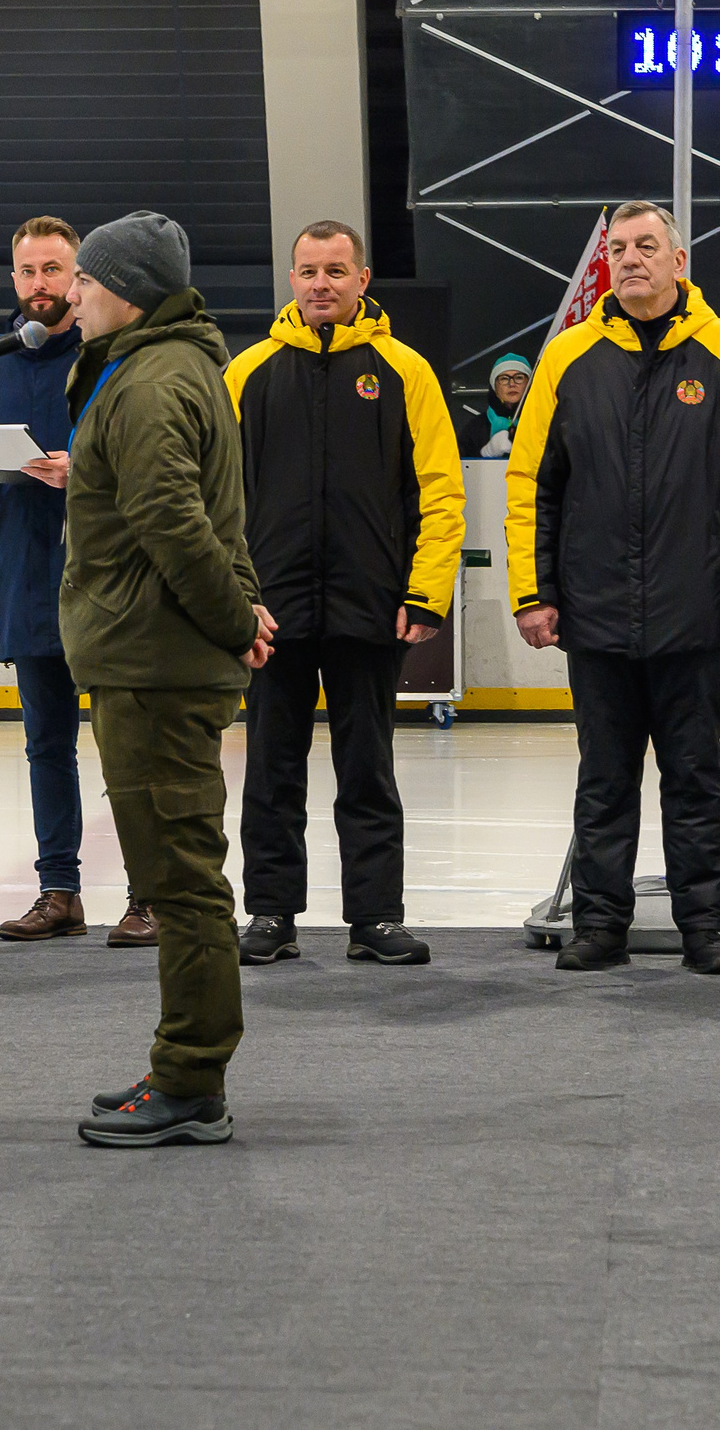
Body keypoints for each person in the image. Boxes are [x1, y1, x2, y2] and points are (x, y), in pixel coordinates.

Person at [505, 199, 720, 976]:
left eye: (645, 246)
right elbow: (532, 482)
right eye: (619, 249)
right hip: (594, 613)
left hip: (694, 613)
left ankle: (708, 928)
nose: (630, 258)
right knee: (603, 779)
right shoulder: (568, 357)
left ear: (678, 260)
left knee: (695, 777)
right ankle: (600, 925)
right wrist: (533, 592)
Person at [56, 211, 271, 1150]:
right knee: (175, 873)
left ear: (128, 293)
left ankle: (190, 1080)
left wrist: (234, 618)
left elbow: (178, 524)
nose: (71, 294)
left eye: (85, 280)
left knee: (180, 881)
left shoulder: (147, 383)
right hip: (154, 655)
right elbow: (226, 518)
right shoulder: (171, 367)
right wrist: (243, 606)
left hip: (155, 663)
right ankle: (183, 1068)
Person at [225, 220, 466, 968]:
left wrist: (425, 594)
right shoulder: (248, 372)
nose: (321, 284)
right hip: (272, 611)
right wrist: (234, 598)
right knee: (271, 769)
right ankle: (271, 913)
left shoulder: (405, 370)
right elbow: (215, 497)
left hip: (372, 607)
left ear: (363, 280)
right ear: (291, 279)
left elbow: (441, 491)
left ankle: (376, 917)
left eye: (335, 270)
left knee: (369, 770)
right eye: (308, 271)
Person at [0, 218, 112, 944]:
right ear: (12, 279)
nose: (39, 283)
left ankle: (147, 895)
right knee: (46, 745)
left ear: (77, 279)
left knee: (128, 747)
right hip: (25, 573)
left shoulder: (110, 358)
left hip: (104, 578)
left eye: (53, 269)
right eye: (27, 270)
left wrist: (86, 471)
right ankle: (58, 890)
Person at [455, 353, 531, 457]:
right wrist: (486, 453)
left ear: (529, 384)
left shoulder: (542, 422)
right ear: (495, 387)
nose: (512, 384)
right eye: (504, 379)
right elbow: (458, 461)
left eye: (519, 378)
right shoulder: (475, 428)